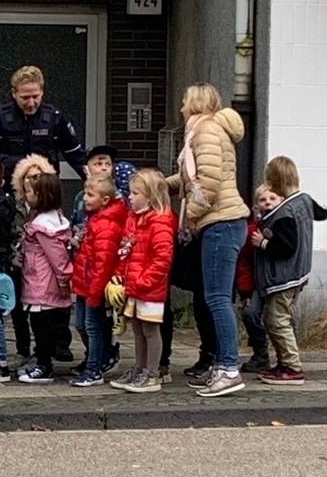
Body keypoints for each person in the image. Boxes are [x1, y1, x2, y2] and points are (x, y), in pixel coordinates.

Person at [0, 66, 87, 366]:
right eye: (25, 97)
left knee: (54, 270)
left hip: (46, 201)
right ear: (14, 94)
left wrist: (95, 186)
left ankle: (59, 342)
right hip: (10, 202)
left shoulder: (54, 119)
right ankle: (23, 343)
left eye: (36, 96)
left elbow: (76, 156)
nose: (31, 103)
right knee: (18, 272)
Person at [167, 82, 251, 398]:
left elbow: (209, 184)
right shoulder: (206, 131)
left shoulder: (205, 131)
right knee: (215, 298)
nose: (181, 107)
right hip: (223, 222)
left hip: (220, 223)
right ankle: (221, 365)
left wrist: (191, 216)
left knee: (217, 298)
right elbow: (192, 178)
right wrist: (159, 185)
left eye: (185, 101)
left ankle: (228, 368)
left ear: (196, 103)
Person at [0, 153, 54, 384]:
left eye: (38, 177)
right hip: (13, 261)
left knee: (19, 313)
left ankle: (18, 359)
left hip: (26, 267)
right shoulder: (11, 201)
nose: (33, 182)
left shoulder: (5, 203)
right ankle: (21, 354)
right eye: (29, 177)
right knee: (12, 311)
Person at [253, 156, 327, 386]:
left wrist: (263, 243)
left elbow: (286, 247)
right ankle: (283, 362)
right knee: (275, 318)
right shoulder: (304, 200)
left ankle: (291, 367)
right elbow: (322, 214)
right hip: (298, 272)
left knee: (277, 320)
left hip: (284, 276)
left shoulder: (284, 213)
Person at [110, 169, 176, 394]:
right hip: (135, 285)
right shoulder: (134, 219)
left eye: (135, 193)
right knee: (138, 330)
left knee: (150, 330)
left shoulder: (159, 223)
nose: (130, 197)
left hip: (149, 288)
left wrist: (141, 281)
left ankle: (152, 373)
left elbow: (162, 260)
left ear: (151, 196)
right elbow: (125, 251)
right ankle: (140, 368)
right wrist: (120, 276)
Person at [15, 173, 73, 385]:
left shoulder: (43, 226)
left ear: (42, 195)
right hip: (40, 281)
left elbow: (58, 257)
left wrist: (64, 278)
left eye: (30, 191)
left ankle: (44, 365)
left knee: (41, 326)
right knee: (42, 324)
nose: (26, 195)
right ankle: (42, 361)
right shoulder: (51, 219)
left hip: (41, 283)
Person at [71, 172, 127, 387]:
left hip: (94, 287)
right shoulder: (96, 220)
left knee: (92, 327)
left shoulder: (106, 225)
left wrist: (95, 293)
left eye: (90, 194)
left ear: (104, 200)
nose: (85, 198)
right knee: (83, 325)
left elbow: (103, 264)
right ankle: (102, 357)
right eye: (85, 193)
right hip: (86, 284)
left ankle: (94, 369)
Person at [238, 187, 272, 373]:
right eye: (262, 200)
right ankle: (261, 354)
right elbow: (244, 262)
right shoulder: (250, 231)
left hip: (276, 280)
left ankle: (286, 359)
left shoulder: (282, 224)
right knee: (250, 314)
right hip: (256, 282)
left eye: (272, 199)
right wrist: (245, 290)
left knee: (279, 319)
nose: (267, 203)